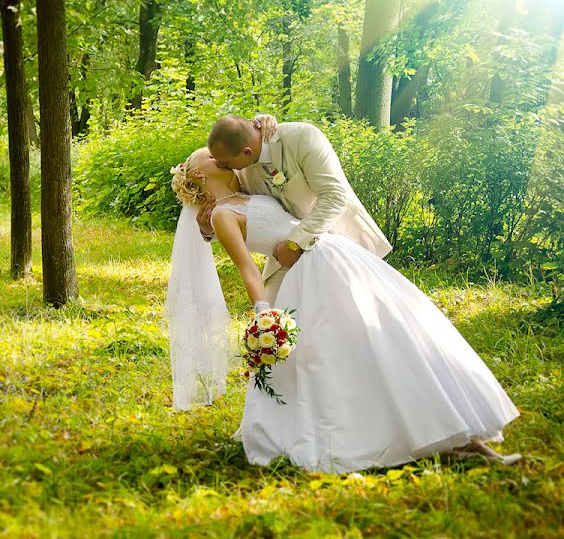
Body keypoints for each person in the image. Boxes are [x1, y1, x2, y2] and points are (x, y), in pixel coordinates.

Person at [166, 147, 521, 473]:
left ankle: (462, 436)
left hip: (338, 256)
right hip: (307, 277)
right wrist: (263, 311)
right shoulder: (224, 216)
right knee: (344, 355)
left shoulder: (250, 188)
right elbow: (246, 266)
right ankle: (383, 433)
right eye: (210, 158)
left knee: (396, 334)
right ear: (198, 174)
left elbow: (258, 152)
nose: (219, 157)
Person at [198, 114, 391, 306]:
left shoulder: (303, 137)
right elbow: (242, 216)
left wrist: (294, 243)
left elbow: (335, 196)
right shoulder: (241, 169)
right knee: (277, 325)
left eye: (225, 162)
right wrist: (208, 230)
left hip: (339, 240)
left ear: (247, 152)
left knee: (356, 314)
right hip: (286, 262)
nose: (221, 166)